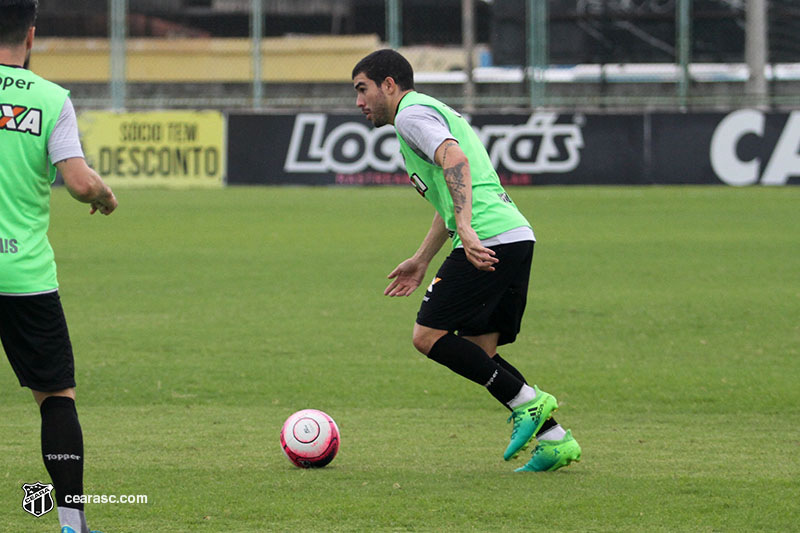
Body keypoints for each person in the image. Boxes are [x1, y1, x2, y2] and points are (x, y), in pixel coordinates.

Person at [352, 49, 580, 472]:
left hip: (488, 237)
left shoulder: (410, 115)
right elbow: (449, 189)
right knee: (480, 349)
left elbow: (454, 161)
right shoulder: (427, 113)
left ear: (389, 84)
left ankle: (528, 403)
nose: (359, 102)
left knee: (427, 335)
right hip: (513, 235)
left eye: (362, 89)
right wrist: (422, 259)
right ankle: (554, 439)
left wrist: (467, 227)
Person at [0, 1, 117, 531]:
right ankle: (71, 522)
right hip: (23, 276)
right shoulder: (50, 99)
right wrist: (105, 195)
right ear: (30, 34)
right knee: (55, 400)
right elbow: (79, 182)